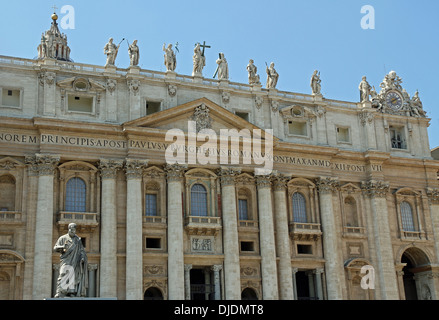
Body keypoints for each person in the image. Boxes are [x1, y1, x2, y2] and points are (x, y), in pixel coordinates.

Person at [53, 223, 88, 298]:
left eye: (74, 230)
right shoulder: (63, 238)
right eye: (71, 229)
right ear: (68, 229)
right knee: (63, 273)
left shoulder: (78, 240)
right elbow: (55, 248)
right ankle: (60, 292)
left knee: (73, 275)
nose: (72, 231)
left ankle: (71, 292)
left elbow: (81, 250)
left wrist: (82, 257)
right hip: (66, 260)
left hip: (75, 260)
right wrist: (62, 247)